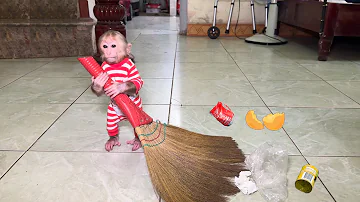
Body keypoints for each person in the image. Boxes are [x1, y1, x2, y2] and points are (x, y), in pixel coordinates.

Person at [91, 30, 143, 152]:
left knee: (138, 123)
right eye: (105, 47)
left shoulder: (128, 65)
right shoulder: (104, 67)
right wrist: (97, 87)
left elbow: (139, 82)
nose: (108, 51)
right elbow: (100, 92)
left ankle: (139, 138)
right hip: (115, 105)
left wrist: (122, 87)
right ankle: (113, 137)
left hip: (133, 104)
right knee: (111, 122)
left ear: (127, 49)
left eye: (113, 46)